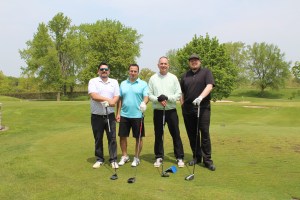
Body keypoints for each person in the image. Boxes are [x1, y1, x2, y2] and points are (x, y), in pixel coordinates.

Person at [180, 54, 216, 171]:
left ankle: (207, 160)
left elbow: (209, 86)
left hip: (203, 107)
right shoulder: (185, 75)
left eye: (196, 60)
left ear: (199, 61)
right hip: (188, 109)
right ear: (189, 63)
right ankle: (196, 156)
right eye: (191, 61)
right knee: (192, 134)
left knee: (204, 133)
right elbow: (182, 93)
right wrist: (182, 105)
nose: (194, 62)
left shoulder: (206, 72)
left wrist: (200, 97)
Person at [148, 56, 185, 168]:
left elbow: (178, 94)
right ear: (158, 65)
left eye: (165, 64)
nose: (163, 65)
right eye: (161, 63)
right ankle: (159, 157)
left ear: (168, 65)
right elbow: (149, 94)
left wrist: (167, 98)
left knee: (176, 134)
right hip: (158, 111)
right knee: (158, 134)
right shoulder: (153, 78)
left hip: (171, 111)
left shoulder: (173, 78)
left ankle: (179, 157)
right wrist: (158, 99)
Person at [88, 62, 120, 169]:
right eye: (102, 69)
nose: (104, 71)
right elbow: (94, 96)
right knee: (98, 138)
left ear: (109, 71)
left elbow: (116, 96)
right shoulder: (93, 81)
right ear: (98, 71)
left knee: (112, 138)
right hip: (97, 115)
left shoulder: (114, 82)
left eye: (106, 69)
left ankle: (113, 159)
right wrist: (108, 100)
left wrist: (112, 102)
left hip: (109, 115)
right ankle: (99, 159)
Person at [116, 64, 149, 167]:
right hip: (124, 114)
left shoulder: (143, 84)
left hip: (138, 115)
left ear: (138, 72)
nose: (133, 73)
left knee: (138, 138)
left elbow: (146, 97)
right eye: (131, 71)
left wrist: (144, 103)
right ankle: (125, 156)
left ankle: (136, 157)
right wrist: (118, 113)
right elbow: (120, 99)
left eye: (135, 71)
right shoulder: (123, 84)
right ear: (128, 71)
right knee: (122, 136)